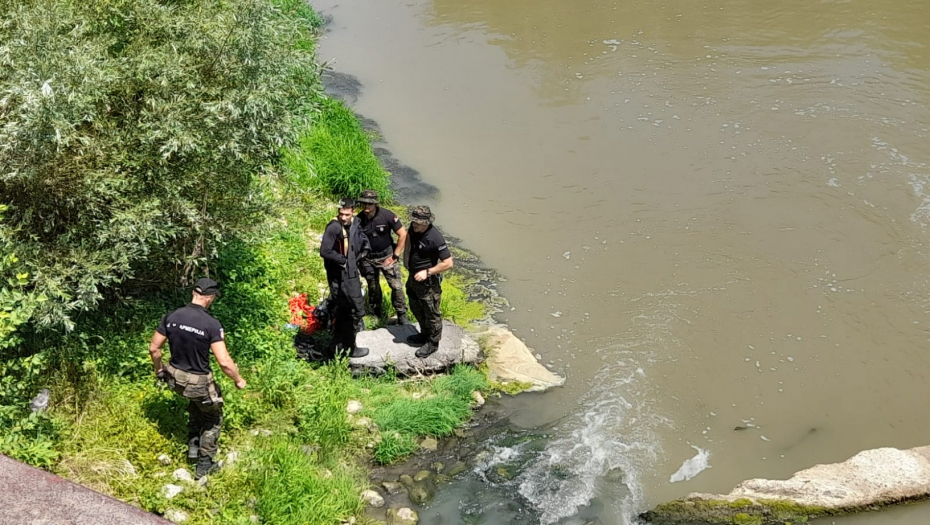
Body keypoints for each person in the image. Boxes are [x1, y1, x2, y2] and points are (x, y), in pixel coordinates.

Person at [148, 278, 246, 479]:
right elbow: (224, 362)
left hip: (175, 379)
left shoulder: (172, 316)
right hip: (198, 383)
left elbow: (154, 349)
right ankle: (204, 466)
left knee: (196, 405)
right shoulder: (211, 325)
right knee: (213, 418)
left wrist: (159, 371)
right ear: (210, 298)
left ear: (194, 293)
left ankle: (193, 448)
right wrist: (238, 380)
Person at [320, 197, 371, 358]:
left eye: (347, 214)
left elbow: (358, 239)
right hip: (339, 276)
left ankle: (336, 344)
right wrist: (343, 261)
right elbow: (325, 251)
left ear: (353, 212)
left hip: (351, 273)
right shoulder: (334, 227)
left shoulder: (355, 222)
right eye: (341, 214)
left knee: (346, 310)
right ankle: (349, 348)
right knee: (348, 310)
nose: (343, 217)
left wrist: (364, 251)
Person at [404, 205, 454, 358]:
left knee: (431, 312)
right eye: (413, 221)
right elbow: (408, 240)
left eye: (418, 222)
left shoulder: (434, 238)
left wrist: (428, 272)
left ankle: (433, 343)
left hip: (428, 283)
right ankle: (424, 334)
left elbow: (448, 263)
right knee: (415, 306)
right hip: (413, 277)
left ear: (426, 223)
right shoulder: (414, 229)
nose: (414, 224)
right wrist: (406, 260)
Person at [357, 189, 409, 325]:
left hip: (387, 256)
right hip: (368, 258)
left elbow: (403, 234)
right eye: (364, 203)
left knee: (396, 286)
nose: (366, 206)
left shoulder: (387, 216)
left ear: (375, 204)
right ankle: (376, 314)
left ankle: (402, 314)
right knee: (373, 287)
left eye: (369, 204)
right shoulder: (358, 220)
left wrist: (395, 255)